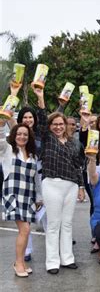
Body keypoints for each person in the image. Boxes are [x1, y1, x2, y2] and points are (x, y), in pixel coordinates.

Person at [34, 86, 84, 275]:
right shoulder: (47, 139)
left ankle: (67, 258)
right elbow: (40, 118)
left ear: (66, 125)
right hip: (52, 184)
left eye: (61, 124)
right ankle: (52, 262)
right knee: (54, 224)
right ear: (50, 126)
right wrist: (40, 97)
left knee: (67, 223)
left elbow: (77, 165)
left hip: (70, 185)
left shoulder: (72, 142)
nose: (58, 126)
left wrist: (80, 186)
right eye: (54, 124)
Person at [1, 118, 41, 277]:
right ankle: (18, 263)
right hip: (13, 194)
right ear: (13, 135)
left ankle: (21, 262)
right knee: (24, 229)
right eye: (19, 134)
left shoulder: (33, 155)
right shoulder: (7, 150)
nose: (22, 137)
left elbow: (36, 179)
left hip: (28, 196)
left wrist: (39, 197)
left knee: (26, 231)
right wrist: (2, 122)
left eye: (25, 134)